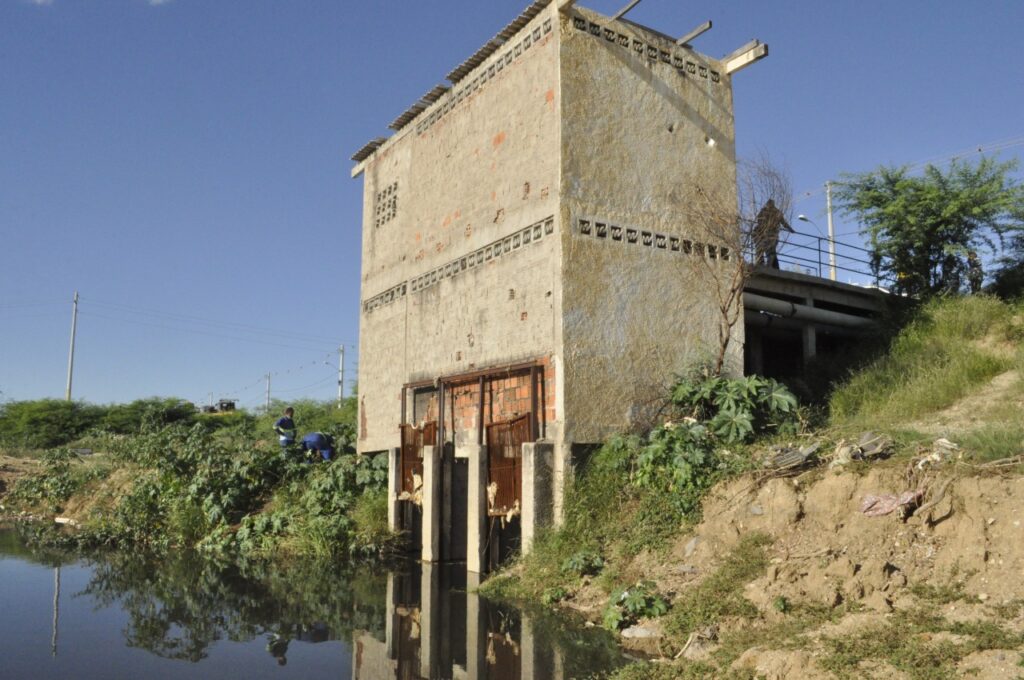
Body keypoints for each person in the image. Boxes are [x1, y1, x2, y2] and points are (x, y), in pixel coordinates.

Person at [753, 199, 793, 269]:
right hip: (771, 235)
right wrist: (790, 229)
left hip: (767, 234)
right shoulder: (777, 212)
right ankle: (768, 265)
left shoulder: (765, 211)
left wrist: (790, 229)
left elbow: (759, 220)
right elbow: (784, 223)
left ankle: (765, 264)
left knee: (767, 250)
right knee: (770, 251)